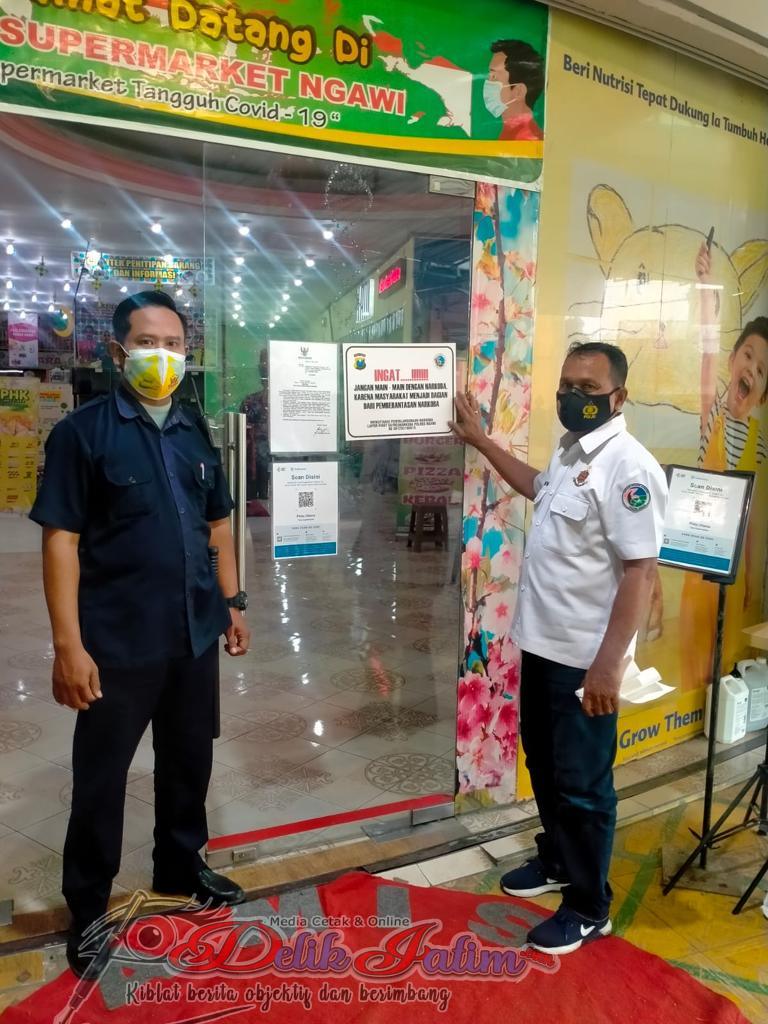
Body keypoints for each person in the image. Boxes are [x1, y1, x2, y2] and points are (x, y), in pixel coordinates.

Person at [30, 291, 251, 980]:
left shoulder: (193, 429)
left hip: (193, 632)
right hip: (118, 640)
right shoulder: (83, 434)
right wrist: (69, 646)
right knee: (102, 779)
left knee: (189, 761)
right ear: (118, 351)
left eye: (174, 344)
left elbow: (218, 524)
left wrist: (232, 602)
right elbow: (61, 541)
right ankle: (89, 908)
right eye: (148, 342)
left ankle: (181, 869)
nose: (163, 355)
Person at [449, 342, 667, 955]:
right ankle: (557, 861)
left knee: (583, 785)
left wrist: (607, 666)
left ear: (619, 397)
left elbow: (640, 571)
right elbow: (536, 485)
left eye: (588, 389)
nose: (573, 397)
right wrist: (482, 442)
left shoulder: (630, 468)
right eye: (567, 385)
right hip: (542, 647)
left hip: (584, 660)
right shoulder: (572, 450)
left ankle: (590, 905)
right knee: (544, 765)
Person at [678, 240, 768, 690]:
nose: (752, 367)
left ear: (763, 395)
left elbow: (753, 521)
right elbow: (707, 350)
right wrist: (706, 286)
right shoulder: (712, 410)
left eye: (763, 369)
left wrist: (753, 580)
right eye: (748, 355)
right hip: (698, 565)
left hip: (735, 580)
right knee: (693, 667)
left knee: (726, 667)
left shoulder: (759, 442)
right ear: (732, 362)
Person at [485, 39, 544, 142]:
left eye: (494, 76)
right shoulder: (510, 134)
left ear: (519, 92)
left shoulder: (526, 140)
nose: (487, 82)